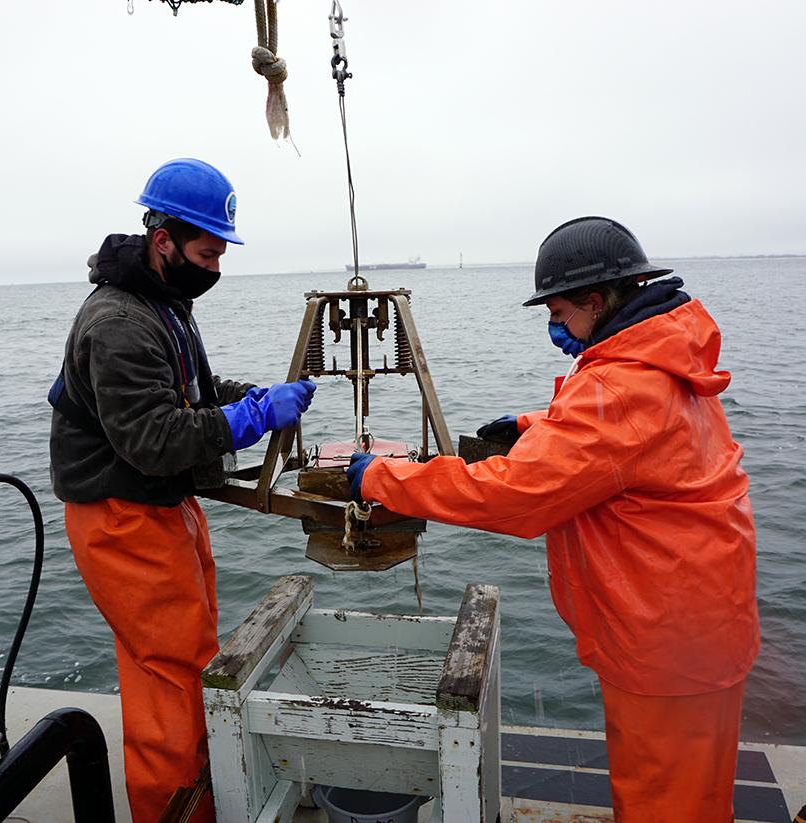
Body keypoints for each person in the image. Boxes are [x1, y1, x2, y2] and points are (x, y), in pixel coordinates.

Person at [347, 216, 759, 822]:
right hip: (701, 623)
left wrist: (381, 478)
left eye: (560, 315)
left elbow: (516, 496)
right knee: (696, 796)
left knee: (665, 806)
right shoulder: (664, 361)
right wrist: (528, 426)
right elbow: (631, 445)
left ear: (596, 302)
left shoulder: (618, 386)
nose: (554, 329)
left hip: (667, 643)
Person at [49, 157, 316, 822]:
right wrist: (254, 418)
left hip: (163, 505)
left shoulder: (162, 303)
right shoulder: (118, 321)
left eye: (221, 253)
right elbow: (155, 436)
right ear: (162, 239)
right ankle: (179, 811)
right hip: (122, 514)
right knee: (171, 675)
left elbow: (189, 393)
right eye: (206, 251)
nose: (215, 267)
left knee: (184, 656)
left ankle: (203, 784)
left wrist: (248, 395)